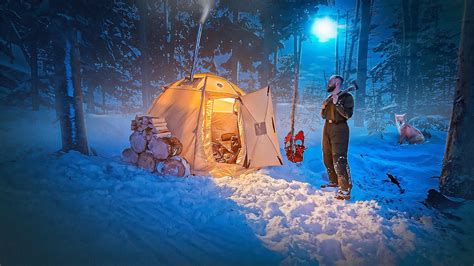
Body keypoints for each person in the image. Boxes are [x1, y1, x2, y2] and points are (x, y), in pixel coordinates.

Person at [320, 75, 354, 200]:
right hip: (327, 128)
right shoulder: (329, 98)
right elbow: (323, 116)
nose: (329, 83)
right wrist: (324, 107)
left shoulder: (347, 97)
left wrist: (337, 104)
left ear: (337, 83)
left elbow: (347, 115)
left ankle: (345, 189)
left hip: (340, 128)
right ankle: (334, 182)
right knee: (327, 156)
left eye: (331, 81)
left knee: (339, 158)